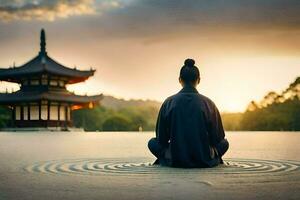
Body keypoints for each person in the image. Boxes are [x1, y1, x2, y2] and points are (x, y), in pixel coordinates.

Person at [148, 59, 229, 168]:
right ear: (198, 80)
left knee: (152, 143)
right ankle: (208, 158)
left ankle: (170, 159)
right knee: (225, 143)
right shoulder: (209, 103)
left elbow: (161, 139)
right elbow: (218, 139)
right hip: (203, 157)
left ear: (180, 80)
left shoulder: (169, 102)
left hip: (175, 157)